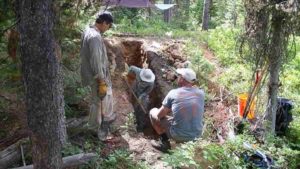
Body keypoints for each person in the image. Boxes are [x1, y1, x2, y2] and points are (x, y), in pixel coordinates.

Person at [149, 68, 205, 152]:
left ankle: (165, 143)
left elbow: (159, 115)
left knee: (153, 112)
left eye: (179, 76)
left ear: (182, 78)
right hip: (197, 134)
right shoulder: (201, 93)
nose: (177, 77)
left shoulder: (173, 93)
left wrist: (165, 114)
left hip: (179, 135)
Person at [80, 11, 115, 141]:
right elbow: (95, 60)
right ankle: (97, 132)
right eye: (109, 25)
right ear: (104, 22)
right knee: (98, 103)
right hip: (97, 76)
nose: (108, 28)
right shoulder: (94, 37)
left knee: (98, 102)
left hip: (94, 74)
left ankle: (97, 127)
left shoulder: (89, 30)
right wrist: (101, 80)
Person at [125, 65, 155, 132]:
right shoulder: (138, 71)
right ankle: (133, 114)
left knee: (141, 110)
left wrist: (140, 97)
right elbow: (131, 67)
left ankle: (140, 127)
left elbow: (147, 92)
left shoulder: (151, 83)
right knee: (133, 106)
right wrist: (128, 76)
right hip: (135, 87)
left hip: (143, 94)